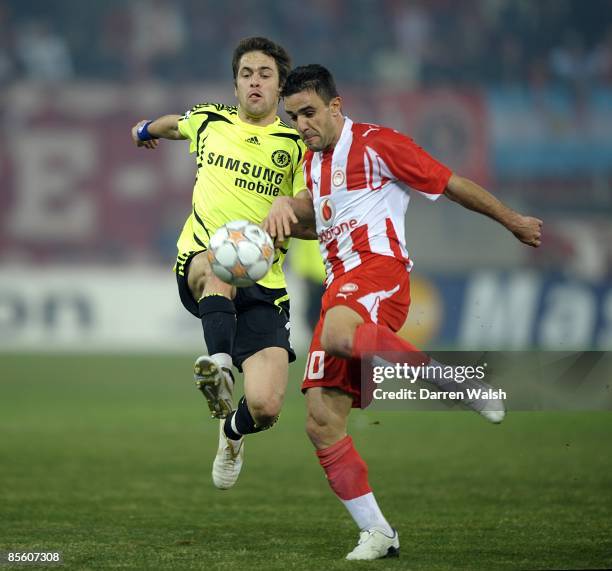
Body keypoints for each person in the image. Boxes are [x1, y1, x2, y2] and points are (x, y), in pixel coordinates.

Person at [263, 64, 543, 561]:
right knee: (321, 421)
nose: (301, 124)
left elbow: (450, 183)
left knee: (336, 333)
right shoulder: (311, 164)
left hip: (379, 273)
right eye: (293, 116)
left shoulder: (378, 143)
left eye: (309, 112)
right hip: (339, 284)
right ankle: (379, 532)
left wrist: (513, 220)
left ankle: (453, 381)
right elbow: (321, 221)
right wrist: (286, 213)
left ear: (335, 106)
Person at [130, 37, 312, 490]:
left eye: (264, 75)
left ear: (280, 86)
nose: (254, 81)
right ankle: (219, 367)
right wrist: (147, 129)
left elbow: (312, 208)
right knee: (221, 263)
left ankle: (231, 431)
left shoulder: (296, 146)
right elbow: (178, 125)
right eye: (246, 74)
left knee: (267, 407)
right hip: (203, 259)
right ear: (235, 86)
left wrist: (292, 206)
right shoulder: (211, 121)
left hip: (265, 282)